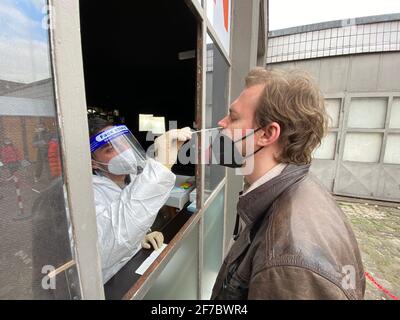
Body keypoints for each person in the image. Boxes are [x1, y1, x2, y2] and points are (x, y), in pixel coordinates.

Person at [211, 68, 365, 300]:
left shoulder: (290, 261)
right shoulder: (295, 188)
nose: (221, 123)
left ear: (267, 134)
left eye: (233, 118)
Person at [88, 117, 192, 283]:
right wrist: (162, 163)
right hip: (110, 283)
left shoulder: (133, 175)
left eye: (122, 142)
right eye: (110, 149)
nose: (123, 151)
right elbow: (108, 242)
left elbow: (130, 218)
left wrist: (141, 237)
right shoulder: (88, 195)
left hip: (133, 268)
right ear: (94, 163)